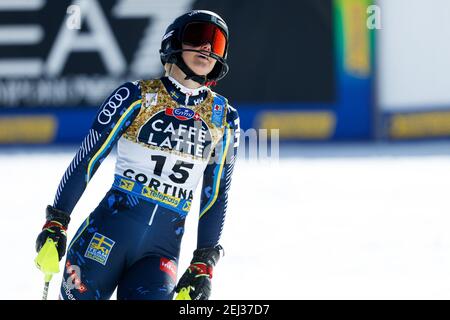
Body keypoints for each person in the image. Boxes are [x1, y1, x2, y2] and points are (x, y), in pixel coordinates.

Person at [35, 10, 240, 300]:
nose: (207, 48)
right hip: (104, 238)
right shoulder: (136, 96)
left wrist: (204, 261)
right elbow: (88, 158)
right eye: (198, 37)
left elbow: (216, 193)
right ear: (173, 42)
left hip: (160, 255)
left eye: (216, 43)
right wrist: (57, 221)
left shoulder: (225, 118)